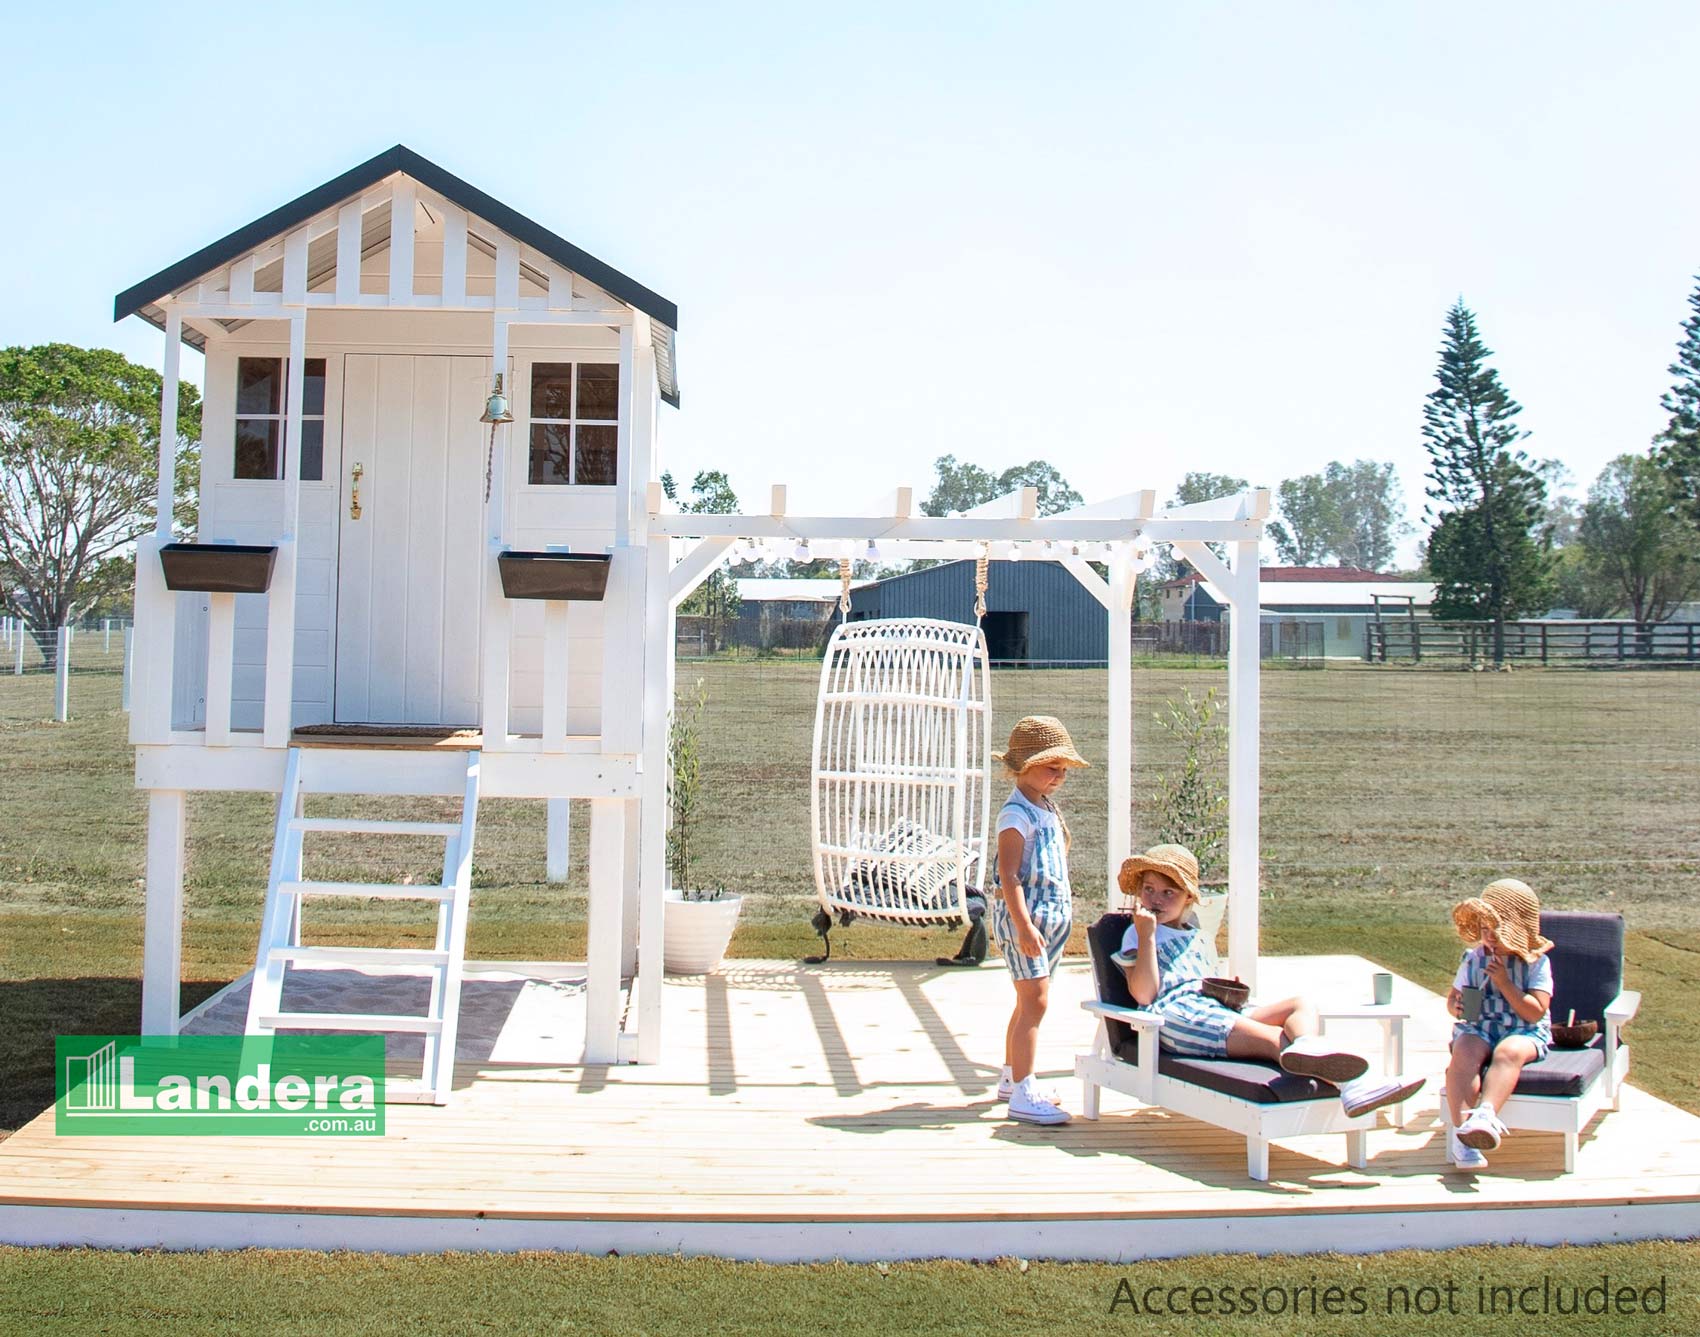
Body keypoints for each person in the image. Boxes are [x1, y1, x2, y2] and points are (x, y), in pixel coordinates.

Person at [1115, 844, 1424, 1119]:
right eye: (1149, 889)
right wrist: (1147, 937)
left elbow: (1201, 981)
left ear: (1187, 899)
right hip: (1177, 1017)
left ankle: (1309, 1047)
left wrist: (1226, 991)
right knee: (1273, 1039)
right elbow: (1144, 994)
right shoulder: (1137, 933)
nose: (1156, 899)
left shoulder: (1198, 937)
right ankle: (1355, 1083)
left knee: (1300, 1005)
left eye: (1169, 892)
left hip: (1214, 1010)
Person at [990, 715, 1088, 1125]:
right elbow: (1008, 876)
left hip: (1045, 927)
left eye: (1063, 769)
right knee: (1036, 1002)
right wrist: (1026, 926)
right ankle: (1025, 1089)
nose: (1059, 775)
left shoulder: (1044, 808)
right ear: (1024, 766)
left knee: (1027, 1000)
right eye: (1051, 767)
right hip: (1025, 924)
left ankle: (1012, 1078)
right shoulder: (1016, 817)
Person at [1444, 878, 1555, 1168]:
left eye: (1497, 931)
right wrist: (1457, 1007)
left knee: (1510, 1052)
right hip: (1480, 1026)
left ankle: (1486, 1113)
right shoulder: (1473, 959)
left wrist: (1504, 982)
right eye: (1484, 930)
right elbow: (1458, 1002)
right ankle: (1463, 1135)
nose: (1490, 937)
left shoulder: (1536, 964)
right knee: (1464, 1051)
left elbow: (1535, 1013)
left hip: (1523, 1028)